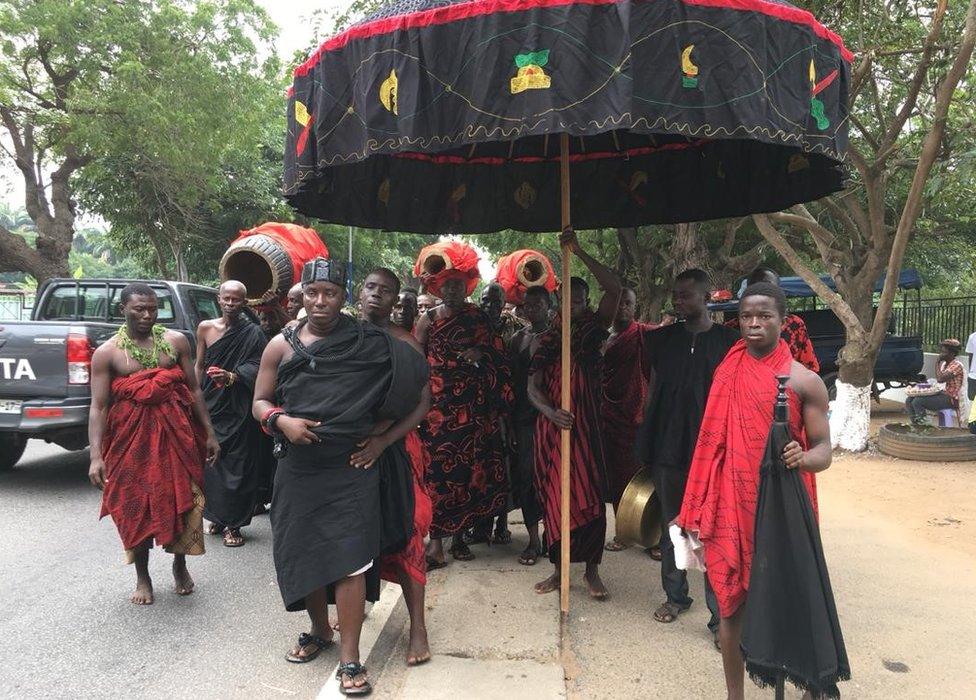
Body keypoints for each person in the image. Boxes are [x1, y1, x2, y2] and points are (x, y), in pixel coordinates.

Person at [252, 258, 428, 696]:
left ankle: (350, 656)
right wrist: (281, 421)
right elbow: (258, 401)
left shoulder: (373, 343)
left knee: (351, 558)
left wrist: (383, 442)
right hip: (298, 469)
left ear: (343, 296)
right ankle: (319, 630)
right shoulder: (282, 345)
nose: (320, 301)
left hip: (352, 467)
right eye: (312, 293)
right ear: (302, 295)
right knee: (307, 551)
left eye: (330, 293)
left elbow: (419, 396)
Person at [677, 282, 832, 700]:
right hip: (732, 506)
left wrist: (804, 456)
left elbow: (825, 451)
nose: (754, 324)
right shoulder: (727, 371)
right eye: (746, 316)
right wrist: (695, 503)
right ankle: (735, 695)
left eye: (764, 316)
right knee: (731, 603)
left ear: (784, 322)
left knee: (793, 596)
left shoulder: (805, 382)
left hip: (783, 510)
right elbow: (710, 443)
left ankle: (812, 683)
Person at [88, 283, 219, 605]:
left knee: (186, 499)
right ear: (123, 311)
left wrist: (210, 433)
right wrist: (95, 455)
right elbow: (99, 406)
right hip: (129, 441)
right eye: (138, 309)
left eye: (152, 309)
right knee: (136, 506)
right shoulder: (107, 353)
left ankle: (179, 563)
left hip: (177, 435)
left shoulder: (176, 342)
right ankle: (142, 576)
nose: (147, 315)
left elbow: (195, 390)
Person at [636, 268, 737, 644]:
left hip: (713, 452)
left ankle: (719, 619)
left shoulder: (729, 342)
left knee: (713, 531)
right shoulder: (661, 341)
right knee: (672, 526)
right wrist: (647, 440)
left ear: (707, 297)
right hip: (669, 447)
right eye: (675, 295)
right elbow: (654, 391)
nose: (679, 301)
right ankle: (675, 596)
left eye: (686, 295)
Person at [528, 229, 620, 600]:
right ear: (558, 301)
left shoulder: (594, 329)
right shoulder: (547, 338)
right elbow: (531, 388)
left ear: (586, 302)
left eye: (581, 299)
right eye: (569, 298)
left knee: (590, 495)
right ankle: (557, 569)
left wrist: (578, 251)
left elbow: (613, 289)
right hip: (554, 429)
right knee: (554, 497)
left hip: (588, 426)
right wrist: (550, 413)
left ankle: (592, 572)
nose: (575, 303)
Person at [358, 268, 433, 666]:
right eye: (371, 287)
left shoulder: (406, 344)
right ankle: (354, 609)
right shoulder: (339, 336)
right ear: (360, 292)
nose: (377, 296)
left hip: (397, 448)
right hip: (351, 452)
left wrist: (384, 439)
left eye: (386, 292)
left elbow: (423, 404)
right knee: (355, 536)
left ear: (395, 302)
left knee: (406, 535)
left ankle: (418, 626)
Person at [415, 272, 512, 566]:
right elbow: (417, 359)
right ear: (438, 288)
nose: (453, 290)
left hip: (471, 408)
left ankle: (457, 541)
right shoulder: (427, 320)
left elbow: (497, 353)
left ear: (466, 288)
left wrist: (479, 351)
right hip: (437, 409)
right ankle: (436, 544)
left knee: (467, 473)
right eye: (448, 286)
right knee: (437, 475)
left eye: (458, 286)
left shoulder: (477, 317)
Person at [195, 281, 269, 547]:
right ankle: (217, 517)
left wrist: (233, 376)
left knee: (239, 466)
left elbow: (260, 367)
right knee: (213, 464)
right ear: (218, 298)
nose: (230, 304)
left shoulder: (254, 333)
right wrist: (195, 396)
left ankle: (234, 525)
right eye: (226, 299)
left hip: (238, 406)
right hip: (212, 404)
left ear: (244, 302)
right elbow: (199, 365)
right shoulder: (205, 328)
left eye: (236, 300)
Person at [602, 287, 657, 552]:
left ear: (634, 307)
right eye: (619, 302)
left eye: (628, 303)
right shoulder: (601, 339)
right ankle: (623, 532)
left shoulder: (644, 334)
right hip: (608, 418)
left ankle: (653, 536)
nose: (623, 307)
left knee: (646, 476)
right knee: (617, 480)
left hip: (637, 416)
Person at [508, 286, 551, 565]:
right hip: (523, 419)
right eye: (528, 304)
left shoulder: (558, 338)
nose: (532, 308)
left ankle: (553, 533)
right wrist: (509, 421)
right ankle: (533, 539)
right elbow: (511, 382)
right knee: (526, 477)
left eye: (538, 304)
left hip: (551, 416)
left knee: (551, 477)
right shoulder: (517, 339)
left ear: (549, 306)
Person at [725, 267, 820, 372]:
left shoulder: (795, 325)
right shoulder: (730, 330)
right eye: (746, 317)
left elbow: (810, 368)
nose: (754, 324)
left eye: (769, 288)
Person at [906, 339, 965, 425]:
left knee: (918, 402)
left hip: (952, 398)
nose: (941, 354)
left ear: (952, 353)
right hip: (943, 394)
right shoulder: (945, 364)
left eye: (944, 352)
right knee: (909, 400)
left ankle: (923, 427)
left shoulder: (956, 365)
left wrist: (937, 362)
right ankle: (916, 425)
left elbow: (940, 379)